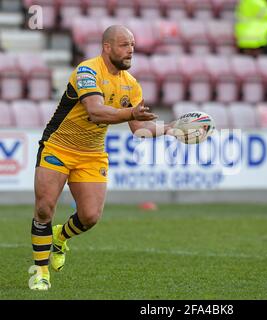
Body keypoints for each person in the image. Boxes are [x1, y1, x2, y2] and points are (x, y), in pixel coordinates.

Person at [30, 25, 176, 290]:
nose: (130, 50)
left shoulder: (131, 86)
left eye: (132, 44)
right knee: (43, 209)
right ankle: (40, 271)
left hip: (92, 154)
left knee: (90, 217)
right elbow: (96, 112)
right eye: (124, 44)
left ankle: (59, 238)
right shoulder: (87, 71)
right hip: (58, 147)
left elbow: (140, 130)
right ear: (107, 47)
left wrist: (172, 130)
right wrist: (131, 114)